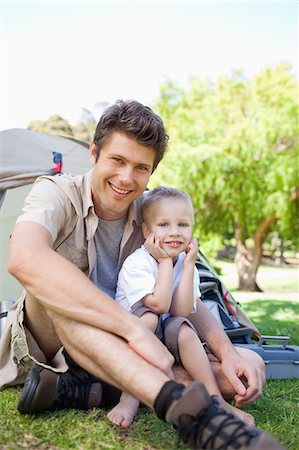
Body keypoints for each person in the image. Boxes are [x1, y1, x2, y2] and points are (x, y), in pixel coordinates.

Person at [0, 100, 284, 450]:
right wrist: (133, 328)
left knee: (245, 367)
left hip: (122, 351)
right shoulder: (56, 192)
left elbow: (184, 292)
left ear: (151, 172)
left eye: (140, 167)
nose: (125, 178)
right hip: (54, 338)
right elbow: (25, 257)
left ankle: (85, 390)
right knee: (62, 290)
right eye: (117, 160)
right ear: (93, 153)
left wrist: (227, 352)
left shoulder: (151, 215)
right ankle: (189, 413)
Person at [108, 186, 255, 429]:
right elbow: (159, 304)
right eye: (163, 225)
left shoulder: (187, 265)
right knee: (150, 318)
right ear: (146, 230)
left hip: (165, 340)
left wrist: (187, 268)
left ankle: (215, 400)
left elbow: (180, 311)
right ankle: (129, 396)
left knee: (184, 327)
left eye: (183, 225)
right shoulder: (138, 263)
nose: (174, 232)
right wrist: (165, 261)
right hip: (131, 340)